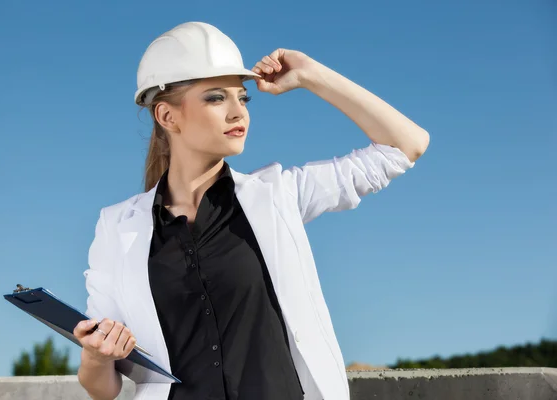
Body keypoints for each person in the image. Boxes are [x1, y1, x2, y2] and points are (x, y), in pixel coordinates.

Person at [73, 21, 429, 400]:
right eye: (215, 98)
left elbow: (406, 145)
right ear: (167, 116)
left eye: (242, 98)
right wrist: (96, 357)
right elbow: (104, 387)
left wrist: (313, 76)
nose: (237, 113)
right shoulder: (116, 229)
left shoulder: (278, 196)